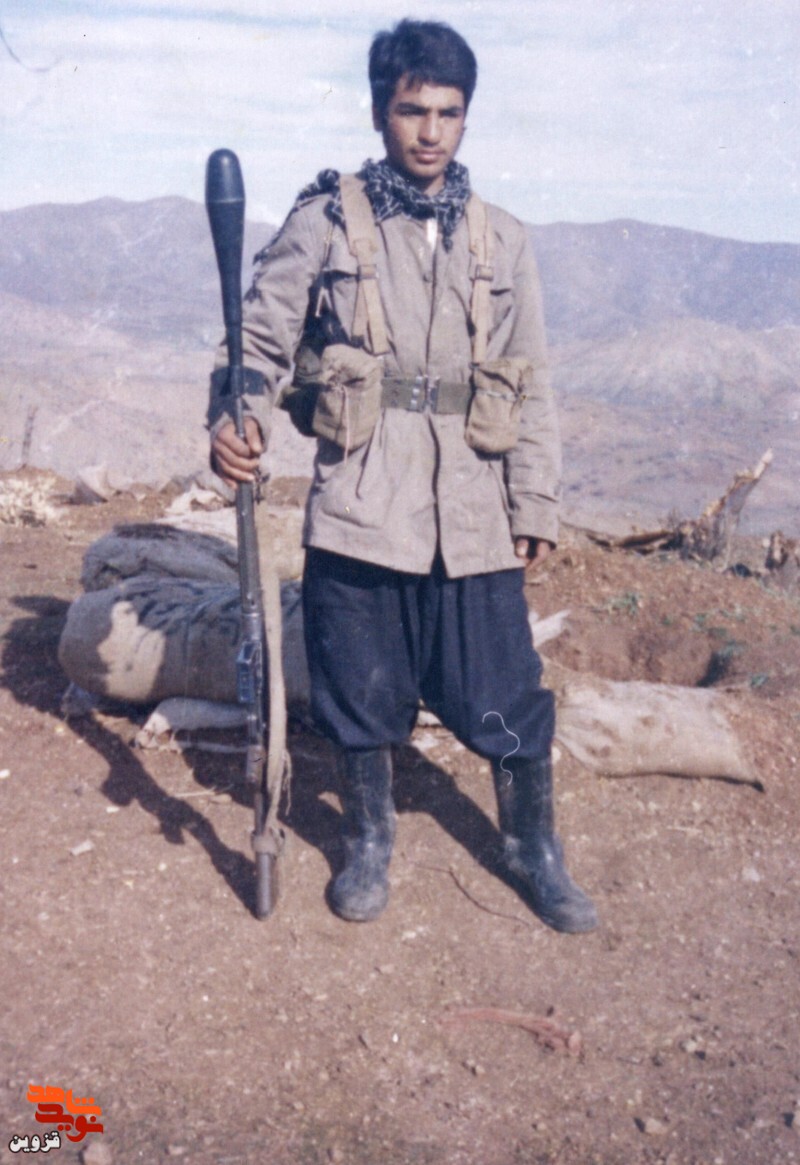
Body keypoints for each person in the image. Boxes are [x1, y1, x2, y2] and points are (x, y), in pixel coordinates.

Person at [209, 18, 598, 933]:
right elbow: (255, 338)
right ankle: (368, 841)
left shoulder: (503, 239)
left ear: (467, 118)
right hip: (360, 498)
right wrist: (236, 419)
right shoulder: (324, 221)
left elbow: (533, 377)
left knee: (504, 686)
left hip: (473, 505)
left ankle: (532, 847)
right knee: (360, 686)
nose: (430, 131)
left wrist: (534, 499)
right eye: (412, 110)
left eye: (448, 113)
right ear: (381, 111)